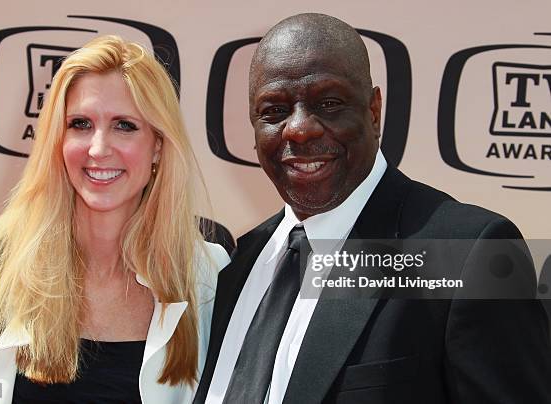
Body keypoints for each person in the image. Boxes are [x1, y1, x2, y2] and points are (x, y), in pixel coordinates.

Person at [194, 13, 551, 404]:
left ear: (374, 111)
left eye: (328, 103)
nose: (299, 129)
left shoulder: (465, 253)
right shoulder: (235, 265)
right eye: (274, 111)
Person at [0, 35, 229, 403]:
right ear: (56, 139)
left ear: (158, 145)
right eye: (80, 124)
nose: (98, 148)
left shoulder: (205, 275)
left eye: (124, 125)